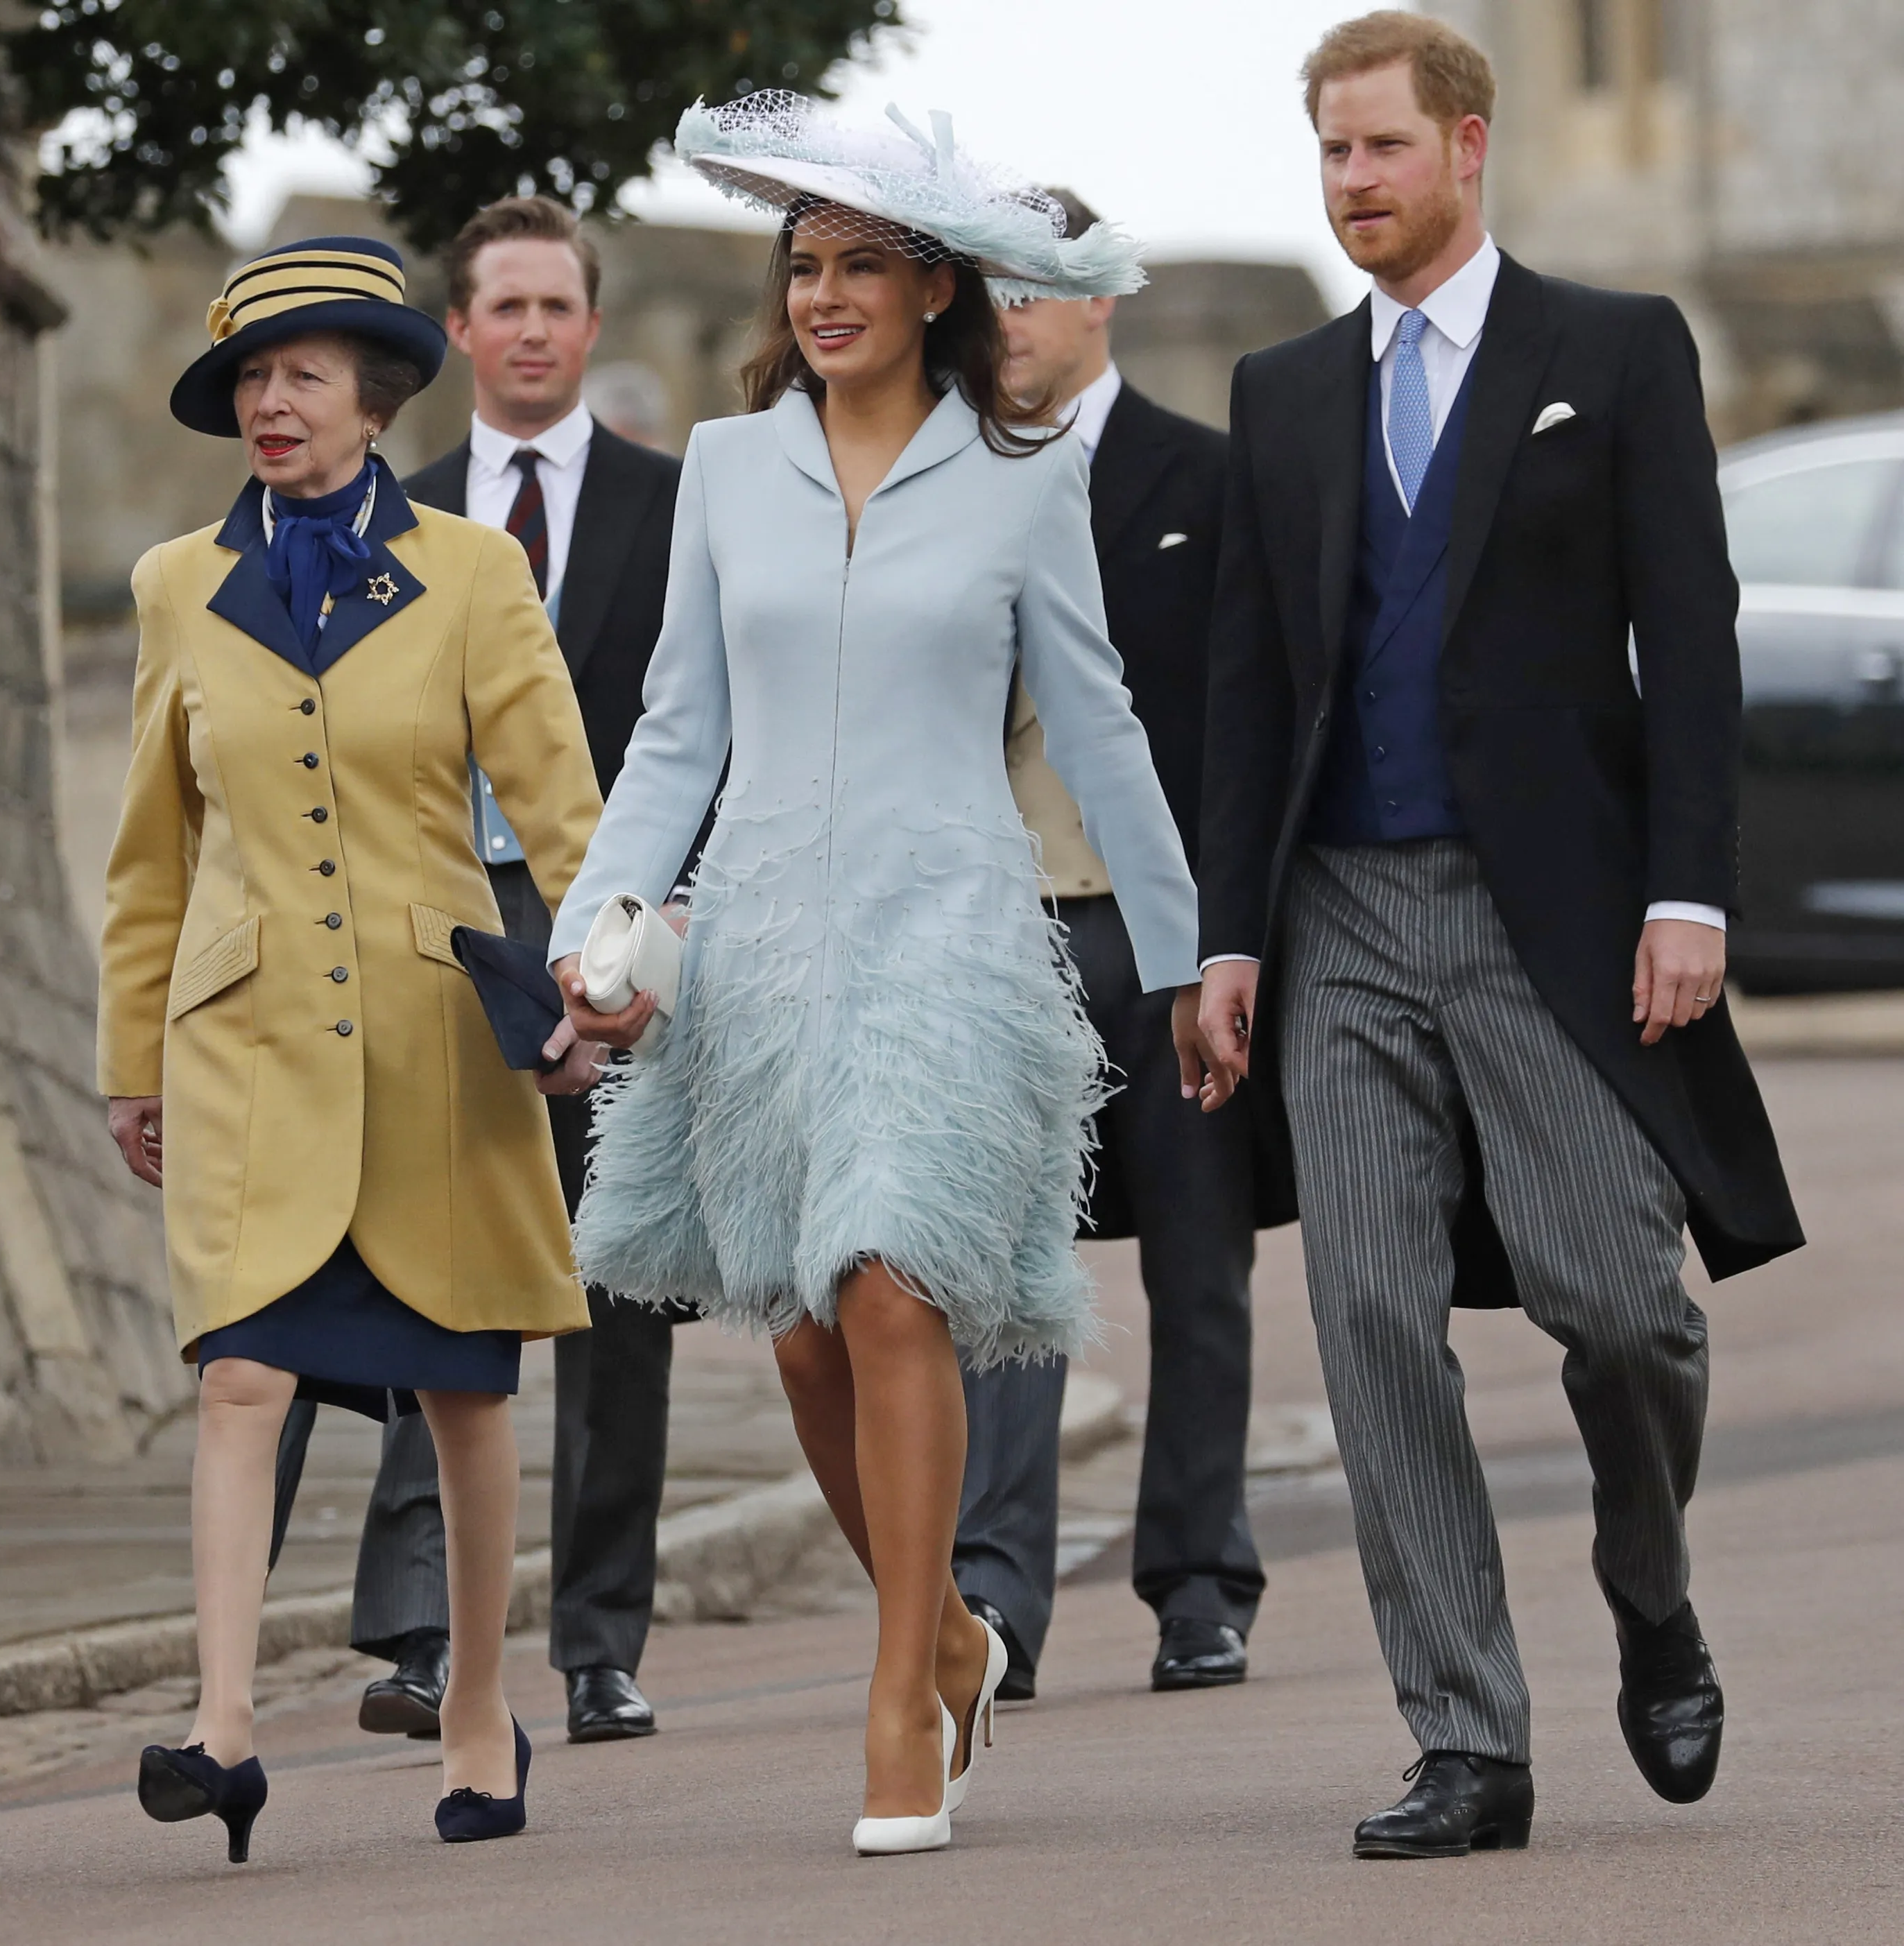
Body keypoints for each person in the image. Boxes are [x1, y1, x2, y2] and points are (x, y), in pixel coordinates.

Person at [1185, 12, 1803, 1860]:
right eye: (1329, 155)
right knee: (1368, 1314)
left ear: (1467, 146)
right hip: (1340, 914)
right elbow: (1242, 684)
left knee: (1619, 1303)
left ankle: (1649, 1578)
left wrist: (1689, 891)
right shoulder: (1284, 393)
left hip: (1559, 914)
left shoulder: (1610, 352)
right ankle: (1469, 1733)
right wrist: (1227, 937)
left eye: (1380, 148)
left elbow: (1689, 639)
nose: (1351, 182)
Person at [555, 94, 1198, 1857]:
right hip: (758, 947)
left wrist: (1190, 950)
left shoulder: (1023, 476)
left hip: (951, 933)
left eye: (861, 265)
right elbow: (677, 728)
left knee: (895, 1283)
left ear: (937, 289)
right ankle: (964, 1636)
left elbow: (1101, 722)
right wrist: (592, 923)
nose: (825, 293)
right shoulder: (725, 465)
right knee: (814, 1339)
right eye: (806, 265)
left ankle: (899, 1687)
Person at [100, 234, 608, 1857]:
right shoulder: (176, 584)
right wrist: (131, 1055)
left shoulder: (473, 573)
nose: (271, 401)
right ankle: (226, 1723)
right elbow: (150, 852)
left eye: (302, 373)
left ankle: (474, 1702)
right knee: (243, 1371)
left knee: (462, 1389)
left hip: (437, 1038)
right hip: (246, 1048)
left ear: (376, 395)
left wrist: (595, 983)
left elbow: (563, 810)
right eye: (250, 376)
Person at [264, 196, 689, 1750]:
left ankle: (598, 1640)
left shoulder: (674, 498)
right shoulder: (394, 509)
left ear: (589, 326)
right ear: (457, 333)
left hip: (609, 914)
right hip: (432, 921)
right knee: (430, 1254)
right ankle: (432, 1631)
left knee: (617, 1277)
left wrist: (655, 929)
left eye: (553, 305)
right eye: (497, 304)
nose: (525, 329)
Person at [954, 187, 1296, 1703]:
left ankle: (1202, 1582)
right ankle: (995, 1600)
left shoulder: (1212, 483)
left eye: (1037, 287)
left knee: (1198, 1264)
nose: (1008, 316)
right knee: (1000, 1270)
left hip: (1166, 943)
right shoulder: (930, 482)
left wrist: (1232, 941)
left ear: (1105, 300)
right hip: (988, 932)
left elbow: (1250, 731)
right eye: (989, 289)